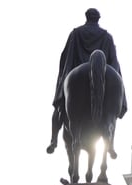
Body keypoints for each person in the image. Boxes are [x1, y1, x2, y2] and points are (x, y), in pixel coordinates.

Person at [48, 8, 127, 154]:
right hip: (104, 77)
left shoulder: (75, 33)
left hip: (75, 82)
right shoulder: (107, 37)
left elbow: (66, 58)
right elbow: (114, 63)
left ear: (87, 17)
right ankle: (110, 143)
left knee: (59, 107)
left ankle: (53, 141)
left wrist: (64, 81)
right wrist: (116, 84)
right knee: (117, 93)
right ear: (98, 18)